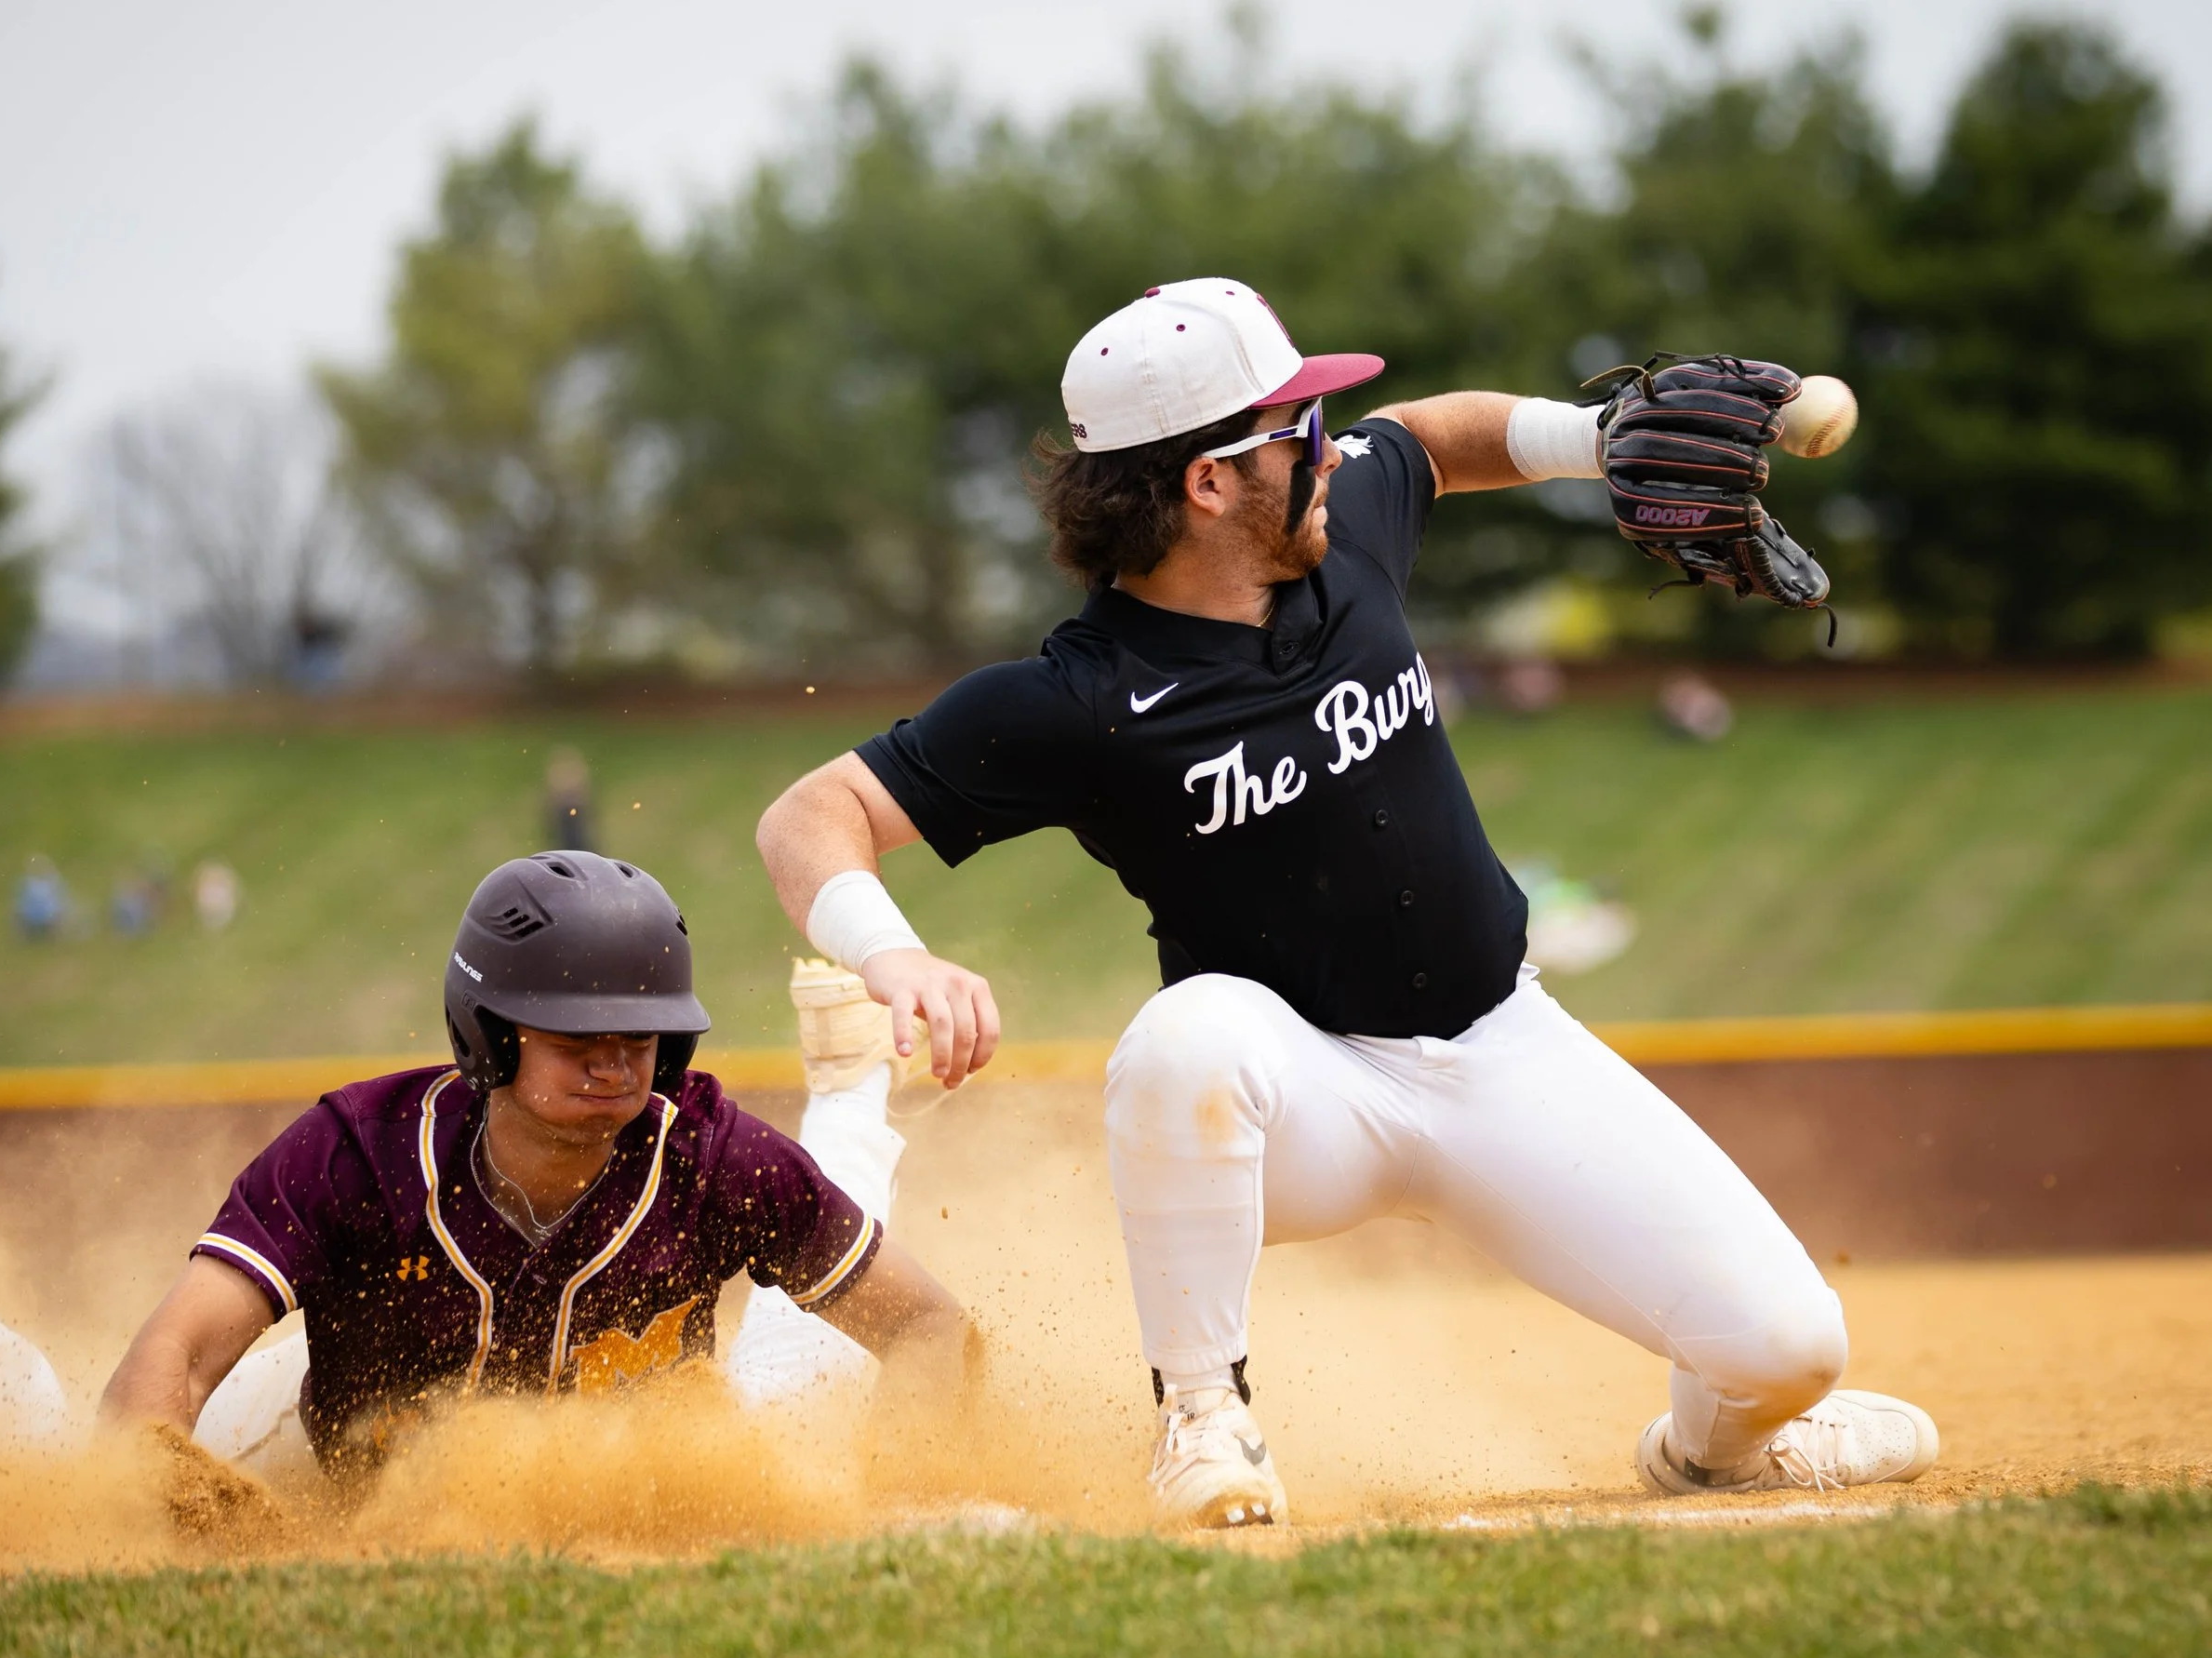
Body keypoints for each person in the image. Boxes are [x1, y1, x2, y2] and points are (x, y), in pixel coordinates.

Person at [753, 277, 1939, 1529]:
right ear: (1209, 481)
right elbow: (809, 817)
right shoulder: (1078, 698)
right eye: (1297, 427)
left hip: (1502, 1051)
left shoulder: (1340, 528)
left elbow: (1430, 438)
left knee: (1793, 1348)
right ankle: (1202, 1417)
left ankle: (1716, 1453)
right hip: (1304, 1097)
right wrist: (894, 959)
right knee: (1184, 1039)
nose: (1330, 445)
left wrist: (1592, 442)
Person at [100, 850, 958, 1490]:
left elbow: (930, 1327)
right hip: (324, 1452)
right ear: (488, 1033)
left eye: (638, 1039)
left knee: (802, 1380)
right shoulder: (357, 1152)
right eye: (577, 1040)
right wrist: (162, 1495)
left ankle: (853, 1081)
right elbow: (171, 1357)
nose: (613, 1066)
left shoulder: (708, 1154)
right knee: (123, 1453)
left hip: (639, 1471)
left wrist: (895, 1500)